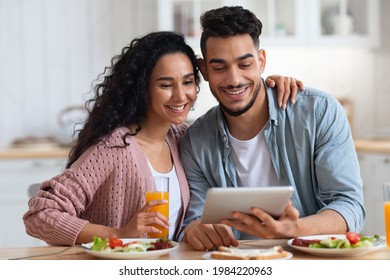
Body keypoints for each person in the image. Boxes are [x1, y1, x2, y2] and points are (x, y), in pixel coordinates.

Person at [23, 31, 301, 246]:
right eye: (166, 85)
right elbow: (40, 215)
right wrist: (117, 234)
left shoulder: (183, 139)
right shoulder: (113, 148)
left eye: (188, 82)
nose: (181, 96)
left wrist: (270, 86)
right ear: (142, 89)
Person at [178, 6, 365, 251]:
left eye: (245, 64)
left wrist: (294, 229)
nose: (234, 79)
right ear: (204, 70)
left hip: (310, 263)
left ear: (261, 61)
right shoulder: (195, 141)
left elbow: (349, 205)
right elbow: (195, 219)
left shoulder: (319, 113)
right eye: (220, 67)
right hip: (236, 265)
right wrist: (195, 230)